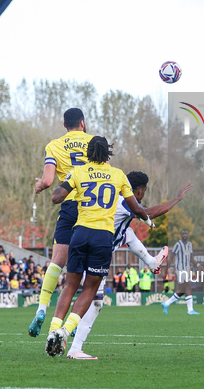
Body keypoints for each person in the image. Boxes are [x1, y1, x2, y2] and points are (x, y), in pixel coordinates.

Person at [44, 136, 152, 357]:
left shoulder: (79, 172)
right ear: (108, 154)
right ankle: (65, 332)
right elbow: (136, 208)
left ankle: (53, 331)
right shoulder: (118, 175)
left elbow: (57, 197)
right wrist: (147, 220)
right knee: (91, 289)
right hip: (102, 237)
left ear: (88, 152)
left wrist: (64, 189)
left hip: (80, 233)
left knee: (70, 286)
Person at [65, 173, 192, 360]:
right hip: (98, 252)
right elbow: (149, 212)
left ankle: (151, 262)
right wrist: (177, 199)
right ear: (139, 191)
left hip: (82, 242)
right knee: (95, 301)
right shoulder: (126, 201)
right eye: (143, 192)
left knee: (128, 233)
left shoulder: (111, 197)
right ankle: (73, 346)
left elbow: (132, 227)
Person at [28, 108, 94, 337]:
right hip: (90, 208)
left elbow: (47, 181)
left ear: (64, 125)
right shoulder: (94, 143)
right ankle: (71, 323)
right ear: (82, 123)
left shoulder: (54, 145)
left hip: (68, 206)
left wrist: (39, 186)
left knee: (57, 262)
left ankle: (41, 308)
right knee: (83, 268)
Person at [162, 229, 202, 315]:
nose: (184, 235)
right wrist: (166, 271)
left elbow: (191, 258)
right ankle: (190, 310)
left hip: (187, 269)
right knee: (188, 286)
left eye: (186, 233)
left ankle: (166, 303)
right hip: (180, 269)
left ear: (188, 235)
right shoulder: (178, 245)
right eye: (183, 233)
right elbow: (171, 258)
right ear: (181, 235)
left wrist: (198, 265)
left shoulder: (190, 245)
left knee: (183, 290)